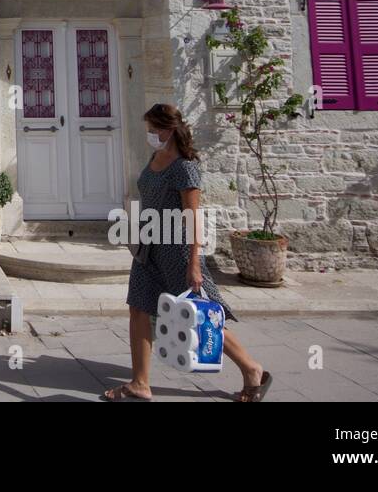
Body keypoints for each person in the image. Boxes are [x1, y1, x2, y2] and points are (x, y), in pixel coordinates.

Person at [103, 103, 272, 402]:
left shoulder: (185, 167)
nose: (150, 135)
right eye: (148, 131)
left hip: (176, 250)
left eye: (153, 130)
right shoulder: (156, 156)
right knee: (138, 307)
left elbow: (193, 218)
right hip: (148, 246)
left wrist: (194, 263)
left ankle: (251, 368)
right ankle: (140, 383)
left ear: (168, 130)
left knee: (200, 315)